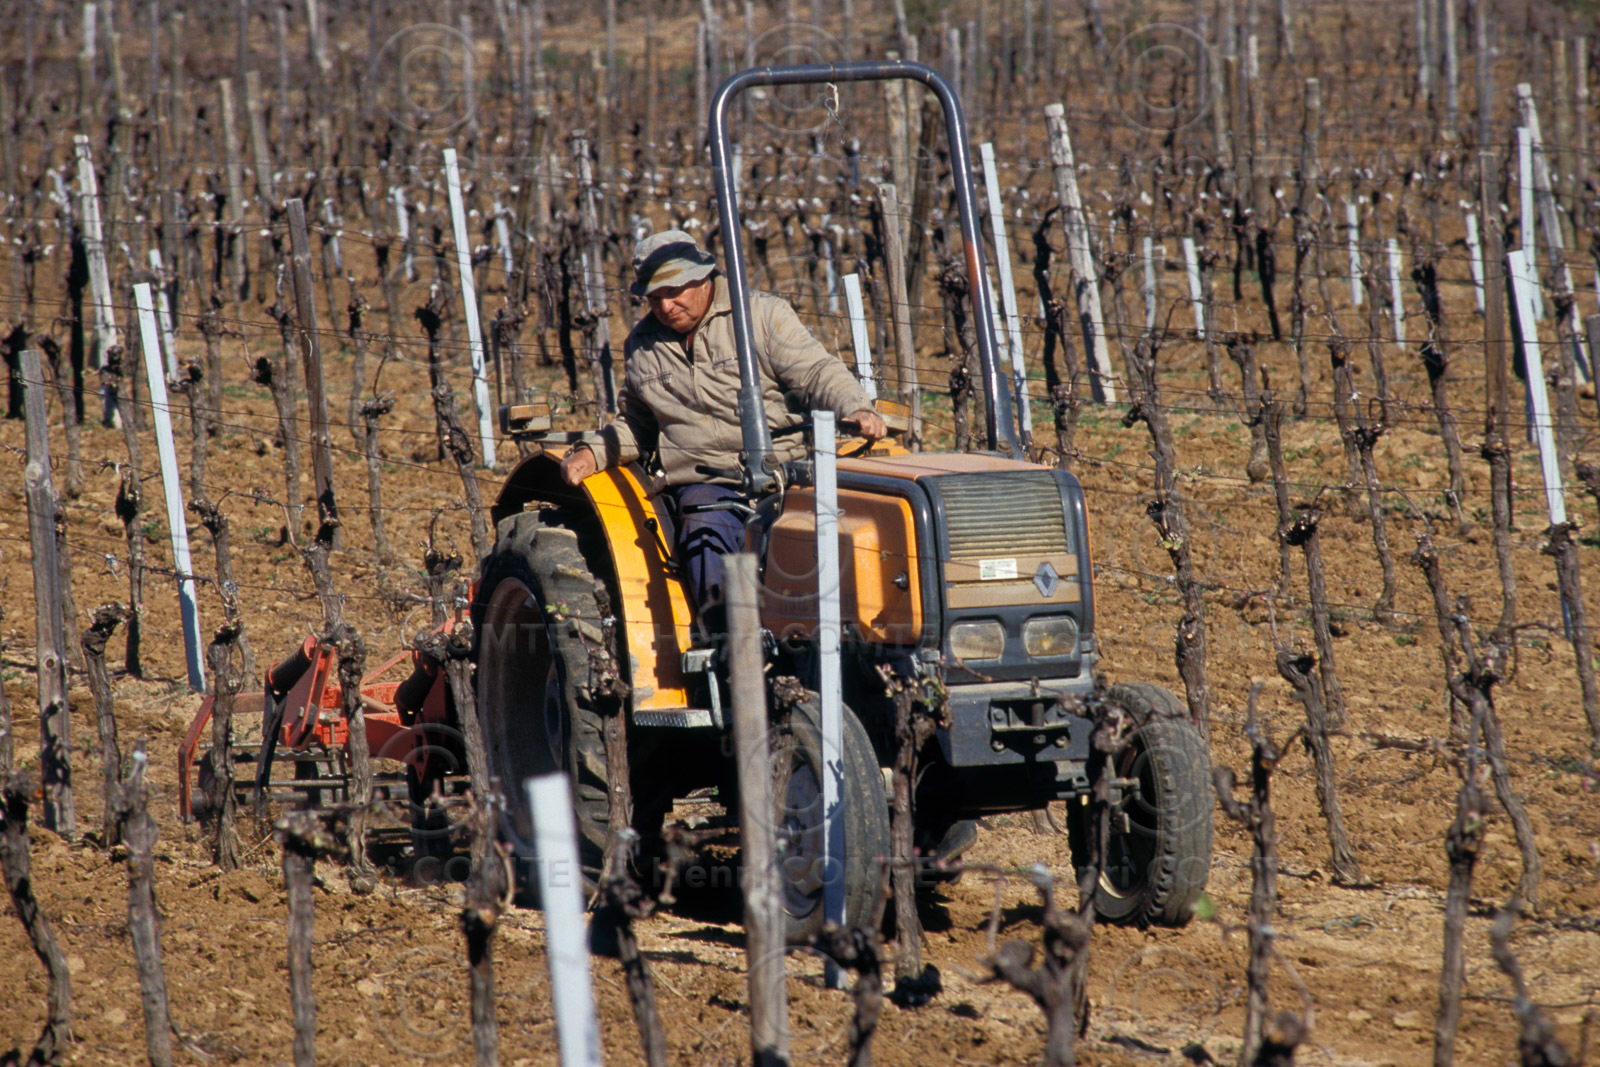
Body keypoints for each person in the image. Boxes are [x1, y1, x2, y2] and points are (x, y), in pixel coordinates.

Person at [560, 229, 886, 640]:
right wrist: (593, 453)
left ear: (703, 276)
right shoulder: (642, 346)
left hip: (784, 470)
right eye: (653, 297)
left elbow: (816, 372)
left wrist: (854, 405)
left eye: (673, 291)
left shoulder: (761, 316)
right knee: (704, 534)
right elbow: (638, 425)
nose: (664, 305)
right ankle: (729, 653)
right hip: (707, 483)